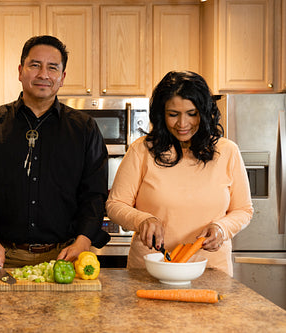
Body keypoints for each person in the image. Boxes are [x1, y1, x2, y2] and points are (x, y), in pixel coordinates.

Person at [0, 35, 110, 271]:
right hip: (1, 257)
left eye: (52, 68)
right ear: (20, 71)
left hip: (66, 257)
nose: (43, 74)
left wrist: (83, 241)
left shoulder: (84, 128)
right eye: (35, 65)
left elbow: (95, 195)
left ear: (62, 78)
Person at [106, 71, 253, 276]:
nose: (182, 124)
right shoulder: (141, 150)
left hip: (211, 271)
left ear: (204, 112)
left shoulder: (227, 151)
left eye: (191, 113)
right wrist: (142, 220)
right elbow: (115, 204)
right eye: (173, 114)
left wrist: (222, 228)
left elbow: (244, 209)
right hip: (151, 269)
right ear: (161, 114)